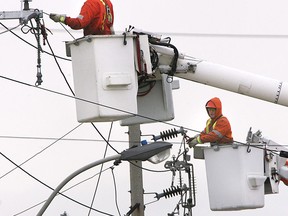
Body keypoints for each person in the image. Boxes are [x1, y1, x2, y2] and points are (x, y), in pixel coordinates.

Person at [49, 0, 114, 36]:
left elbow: (79, 23)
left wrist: (62, 18)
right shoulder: (108, 3)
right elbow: (110, 24)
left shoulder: (91, 3)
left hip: (93, 44)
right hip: (107, 43)